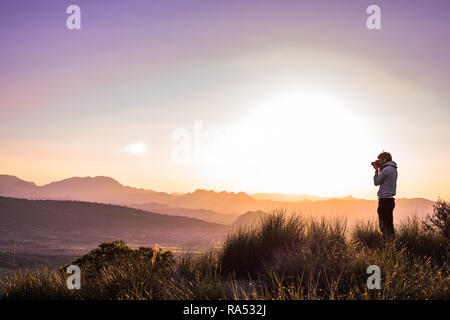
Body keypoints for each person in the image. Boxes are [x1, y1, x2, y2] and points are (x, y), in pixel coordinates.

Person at [372, 151, 398, 238]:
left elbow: (376, 182)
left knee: (383, 226)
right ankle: (392, 244)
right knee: (389, 224)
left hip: (384, 200)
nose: (378, 162)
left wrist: (376, 170)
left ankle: (387, 246)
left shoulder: (386, 170)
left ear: (385, 160)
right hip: (390, 200)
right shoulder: (393, 169)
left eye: (379, 160)